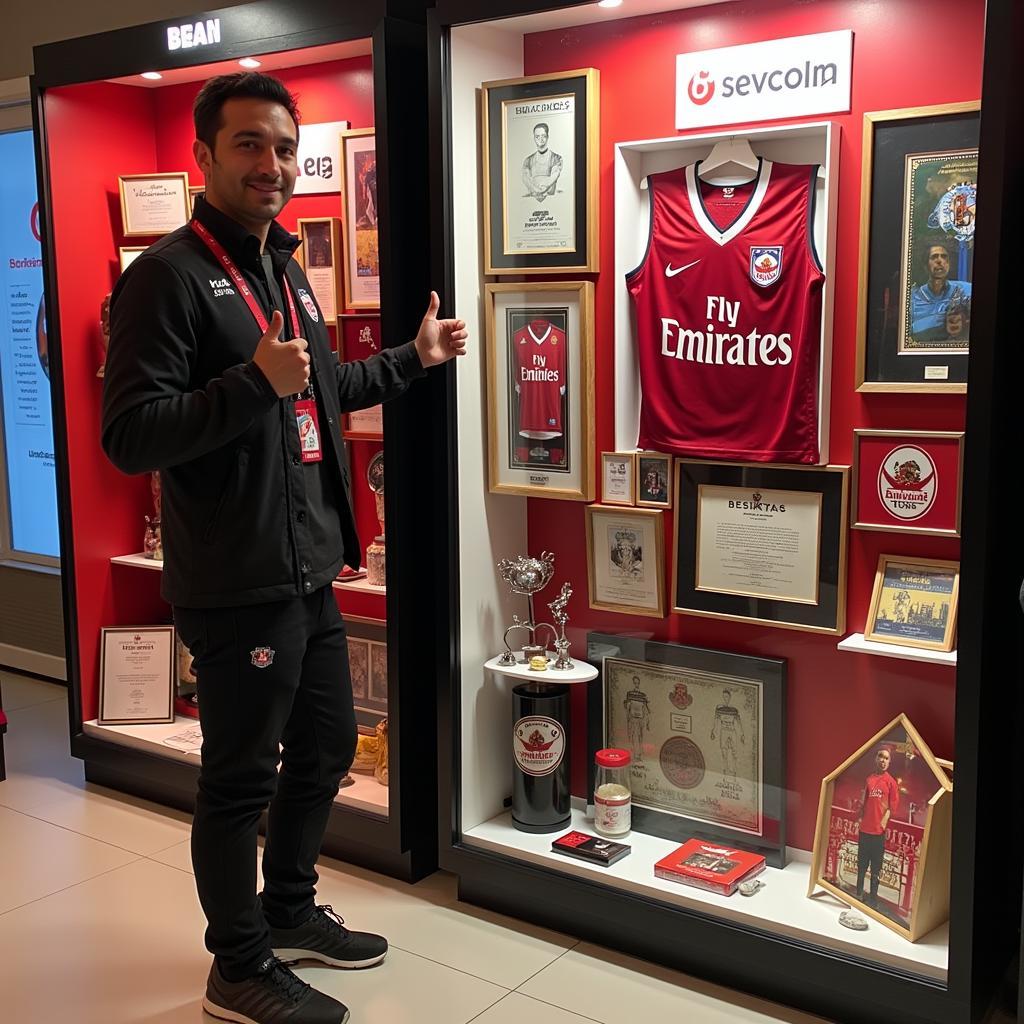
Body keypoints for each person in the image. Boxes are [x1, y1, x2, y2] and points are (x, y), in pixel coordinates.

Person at [101, 73, 467, 1024]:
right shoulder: (167, 278)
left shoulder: (283, 267)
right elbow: (131, 433)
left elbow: (321, 388)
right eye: (249, 146)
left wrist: (413, 360)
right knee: (238, 778)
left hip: (307, 565)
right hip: (234, 578)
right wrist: (250, 387)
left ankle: (291, 910)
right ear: (205, 155)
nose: (272, 166)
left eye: (283, 149)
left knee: (330, 745)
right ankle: (239, 966)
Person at [856, 747, 900, 909]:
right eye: (880, 756)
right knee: (861, 866)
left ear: (889, 762)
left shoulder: (891, 783)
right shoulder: (868, 780)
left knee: (876, 869)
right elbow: (863, 803)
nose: (883, 760)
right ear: (876, 759)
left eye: (886, 758)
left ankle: (873, 899)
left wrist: (882, 824)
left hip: (878, 834)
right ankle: (858, 894)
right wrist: (859, 820)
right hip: (864, 831)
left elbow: (893, 808)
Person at [910, 241, 971, 341]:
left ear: (948, 264)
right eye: (934, 257)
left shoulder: (965, 290)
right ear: (925, 266)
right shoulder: (912, 299)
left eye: (944, 257)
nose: (940, 261)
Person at [521, 122, 563, 202]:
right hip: (531, 203)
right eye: (537, 136)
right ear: (534, 138)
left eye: (543, 136)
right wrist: (535, 189)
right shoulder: (528, 161)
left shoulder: (556, 158)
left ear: (547, 137)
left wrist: (538, 188)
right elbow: (525, 179)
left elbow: (552, 178)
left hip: (552, 201)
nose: (540, 139)